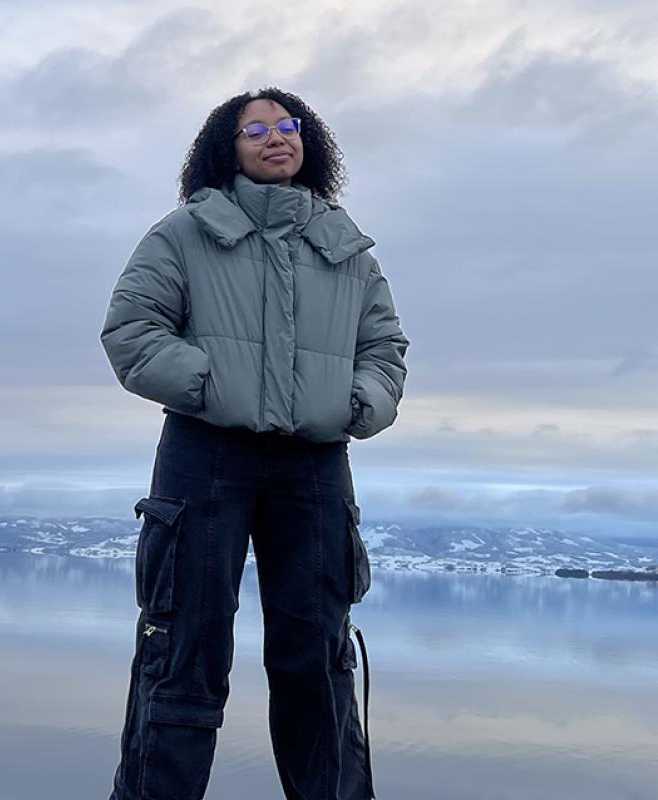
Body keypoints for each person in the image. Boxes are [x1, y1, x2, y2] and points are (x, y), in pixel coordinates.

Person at [100, 86, 408, 800]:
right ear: (226, 149)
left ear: (309, 141)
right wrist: (214, 386)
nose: (277, 137)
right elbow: (131, 331)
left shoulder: (344, 245)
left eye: (288, 125)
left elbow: (385, 347)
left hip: (315, 465)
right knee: (183, 649)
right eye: (256, 129)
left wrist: (355, 403)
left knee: (318, 658)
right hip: (206, 454)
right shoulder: (183, 233)